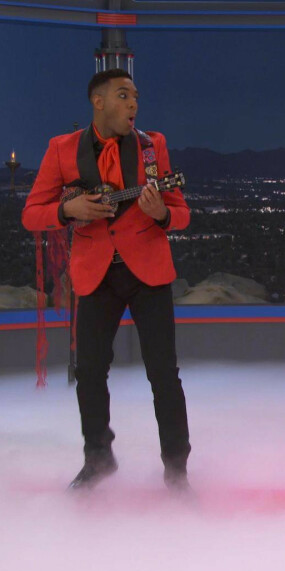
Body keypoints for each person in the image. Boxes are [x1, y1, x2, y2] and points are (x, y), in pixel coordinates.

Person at [22, 69, 191, 491]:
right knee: (90, 372)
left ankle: (177, 470)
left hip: (148, 271)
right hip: (95, 273)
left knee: (163, 374)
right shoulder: (61, 149)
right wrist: (68, 210)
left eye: (136, 96)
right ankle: (98, 459)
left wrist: (161, 214)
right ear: (98, 102)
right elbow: (31, 214)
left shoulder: (153, 146)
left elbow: (181, 213)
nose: (134, 103)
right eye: (123, 95)